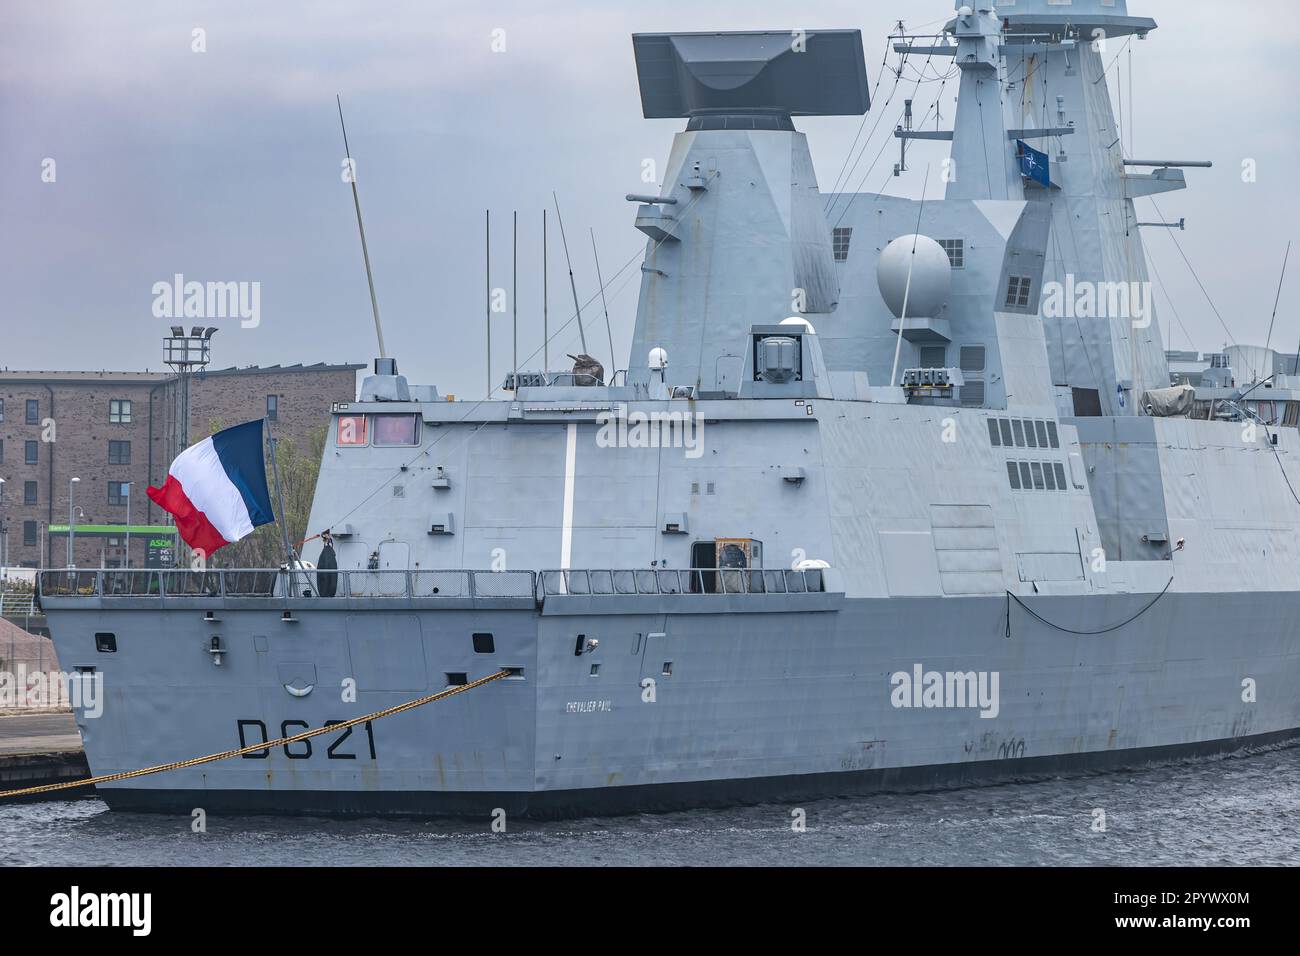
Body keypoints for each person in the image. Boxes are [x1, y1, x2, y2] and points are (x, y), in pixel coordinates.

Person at [316, 530, 338, 598]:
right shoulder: (326, 552)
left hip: (330, 570)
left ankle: (329, 592)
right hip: (325, 570)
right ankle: (324, 592)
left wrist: (327, 538)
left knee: (331, 579)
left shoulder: (330, 549)